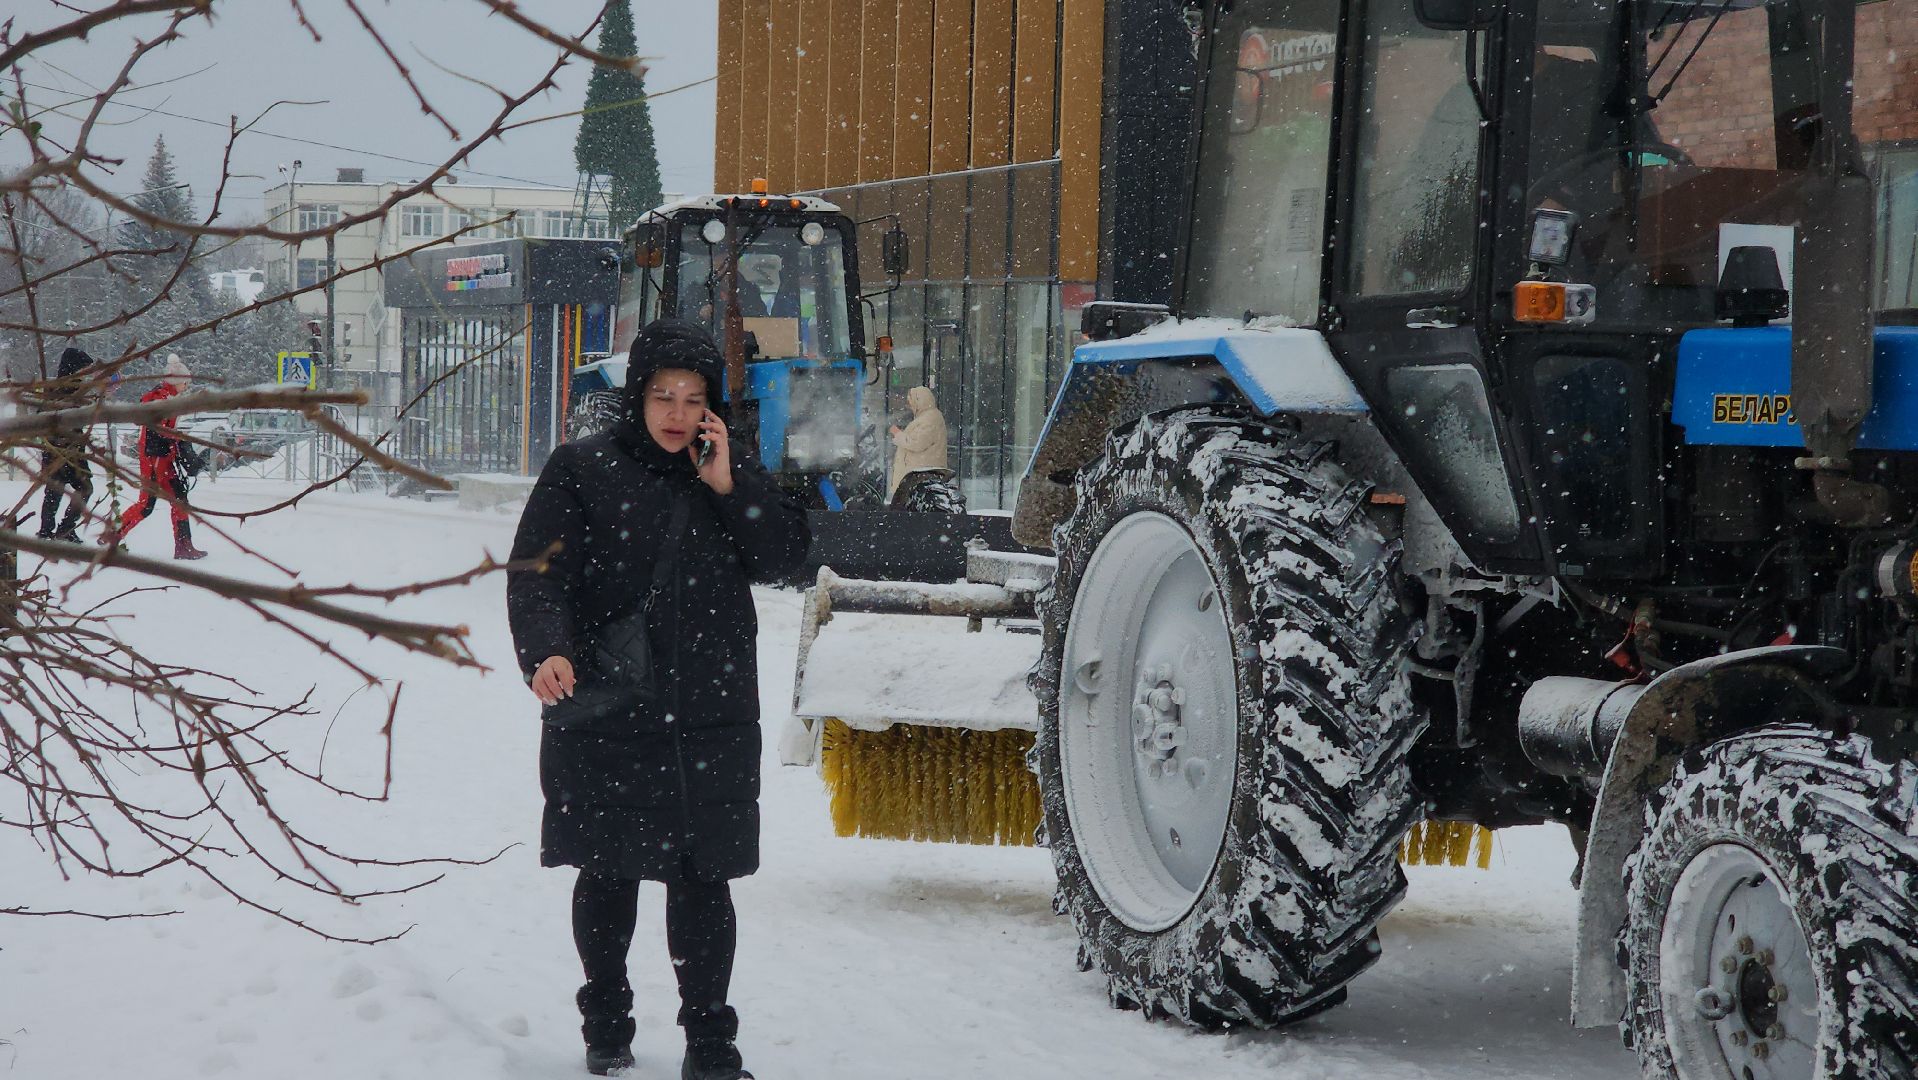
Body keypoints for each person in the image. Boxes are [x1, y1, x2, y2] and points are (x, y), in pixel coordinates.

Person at [507, 318, 810, 1080]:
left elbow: (783, 558)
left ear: (713, 406)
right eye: (663, 395)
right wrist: (545, 647)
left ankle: (711, 1045)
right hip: (612, 703)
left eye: (693, 398)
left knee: (703, 878)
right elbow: (537, 572)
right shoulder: (582, 468)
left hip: (711, 713)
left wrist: (729, 485)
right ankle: (605, 1020)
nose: (677, 413)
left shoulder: (729, 472)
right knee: (606, 871)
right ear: (637, 396)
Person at [103, 353, 207, 560]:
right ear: (177, 382)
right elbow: (157, 431)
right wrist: (177, 440)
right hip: (153, 459)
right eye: (185, 383)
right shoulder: (159, 399)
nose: (186, 387)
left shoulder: (170, 399)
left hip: (165, 458)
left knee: (180, 499)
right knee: (146, 504)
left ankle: (184, 546)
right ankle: (112, 536)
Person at [37, 347, 97, 542]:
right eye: (83, 369)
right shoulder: (67, 390)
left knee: (55, 490)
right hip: (66, 450)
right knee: (83, 487)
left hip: (58, 449)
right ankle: (63, 529)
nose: (85, 373)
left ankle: (49, 531)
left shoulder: (57, 388)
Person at [887, 385, 948, 499]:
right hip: (919, 477)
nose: (909, 405)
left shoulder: (930, 418)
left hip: (921, 476)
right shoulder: (927, 417)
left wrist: (897, 434)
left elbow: (916, 443)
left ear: (919, 401)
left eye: (911, 401)